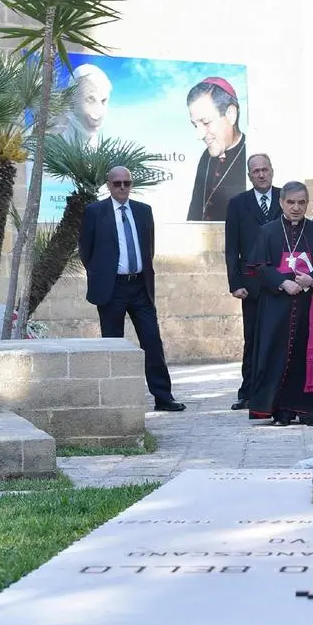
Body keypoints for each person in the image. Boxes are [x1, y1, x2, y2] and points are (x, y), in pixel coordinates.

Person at [78, 166, 185, 412]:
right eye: (118, 183)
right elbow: (86, 249)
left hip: (140, 286)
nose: (123, 187)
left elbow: (149, 248)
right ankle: (116, 400)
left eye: (127, 183)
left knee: (152, 341)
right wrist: (102, 274)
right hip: (112, 288)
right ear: (109, 185)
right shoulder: (95, 212)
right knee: (113, 343)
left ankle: (163, 397)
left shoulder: (143, 211)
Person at [247, 181, 313, 426]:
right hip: (278, 306)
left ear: (307, 204)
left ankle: (309, 409)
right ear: (281, 202)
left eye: (301, 202)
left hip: (311, 305)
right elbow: (258, 266)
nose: (296, 208)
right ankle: (281, 411)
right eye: (291, 202)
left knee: (305, 355)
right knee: (278, 356)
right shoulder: (267, 231)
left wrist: (312, 279)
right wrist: (282, 282)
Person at [224, 153, 281, 410]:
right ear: (250, 175)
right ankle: (248, 392)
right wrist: (235, 283)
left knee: (282, 338)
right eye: (256, 171)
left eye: (265, 169)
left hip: (283, 282)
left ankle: (281, 391)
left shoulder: (286, 198)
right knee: (253, 338)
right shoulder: (238, 204)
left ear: (272, 171)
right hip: (253, 285)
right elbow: (231, 247)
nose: (261, 174)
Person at [186, 78, 247, 222]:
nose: (199, 135)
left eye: (206, 122)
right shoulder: (205, 157)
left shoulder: (252, 155)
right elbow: (195, 209)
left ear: (231, 114)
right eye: (195, 125)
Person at [64, 64, 112, 145]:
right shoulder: (49, 134)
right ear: (71, 100)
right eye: (91, 99)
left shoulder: (102, 142)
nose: (99, 111)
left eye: (103, 101)